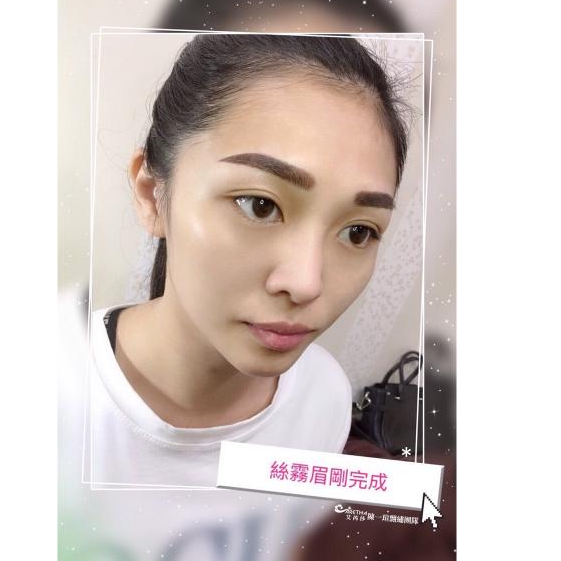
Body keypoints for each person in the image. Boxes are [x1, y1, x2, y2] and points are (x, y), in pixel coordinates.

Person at [89, 33, 409, 487]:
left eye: (358, 232)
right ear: (152, 194)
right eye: (260, 206)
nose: (306, 283)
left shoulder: (324, 397)